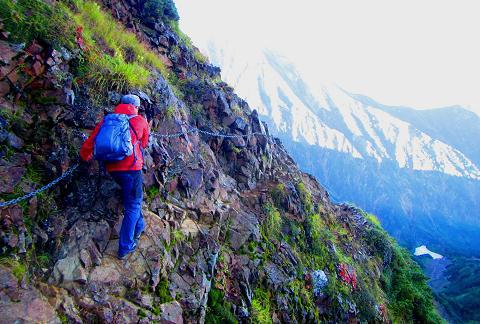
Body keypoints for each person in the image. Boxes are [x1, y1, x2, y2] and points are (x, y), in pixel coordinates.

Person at [80, 94, 150, 259]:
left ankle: (139, 226)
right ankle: (126, 246)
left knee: (134, 201)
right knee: (133, 205)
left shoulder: (108, 120)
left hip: (112, 169)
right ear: (136, 107)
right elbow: (145, 143)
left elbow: (91, 142)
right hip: (132, 169)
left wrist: (84, 157)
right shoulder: (140, 121)